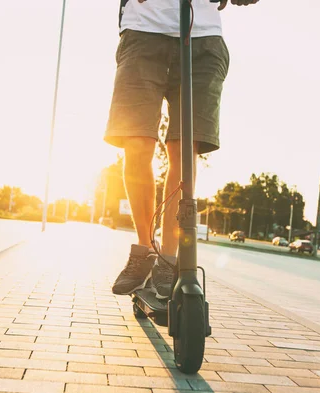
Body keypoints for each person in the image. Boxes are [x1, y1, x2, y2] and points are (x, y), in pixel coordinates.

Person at [106, 0, 259, 299]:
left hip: (202, 40)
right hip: (142, 32)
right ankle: (144, 250)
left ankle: (169, 260)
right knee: (136, 144)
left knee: (183, 150)